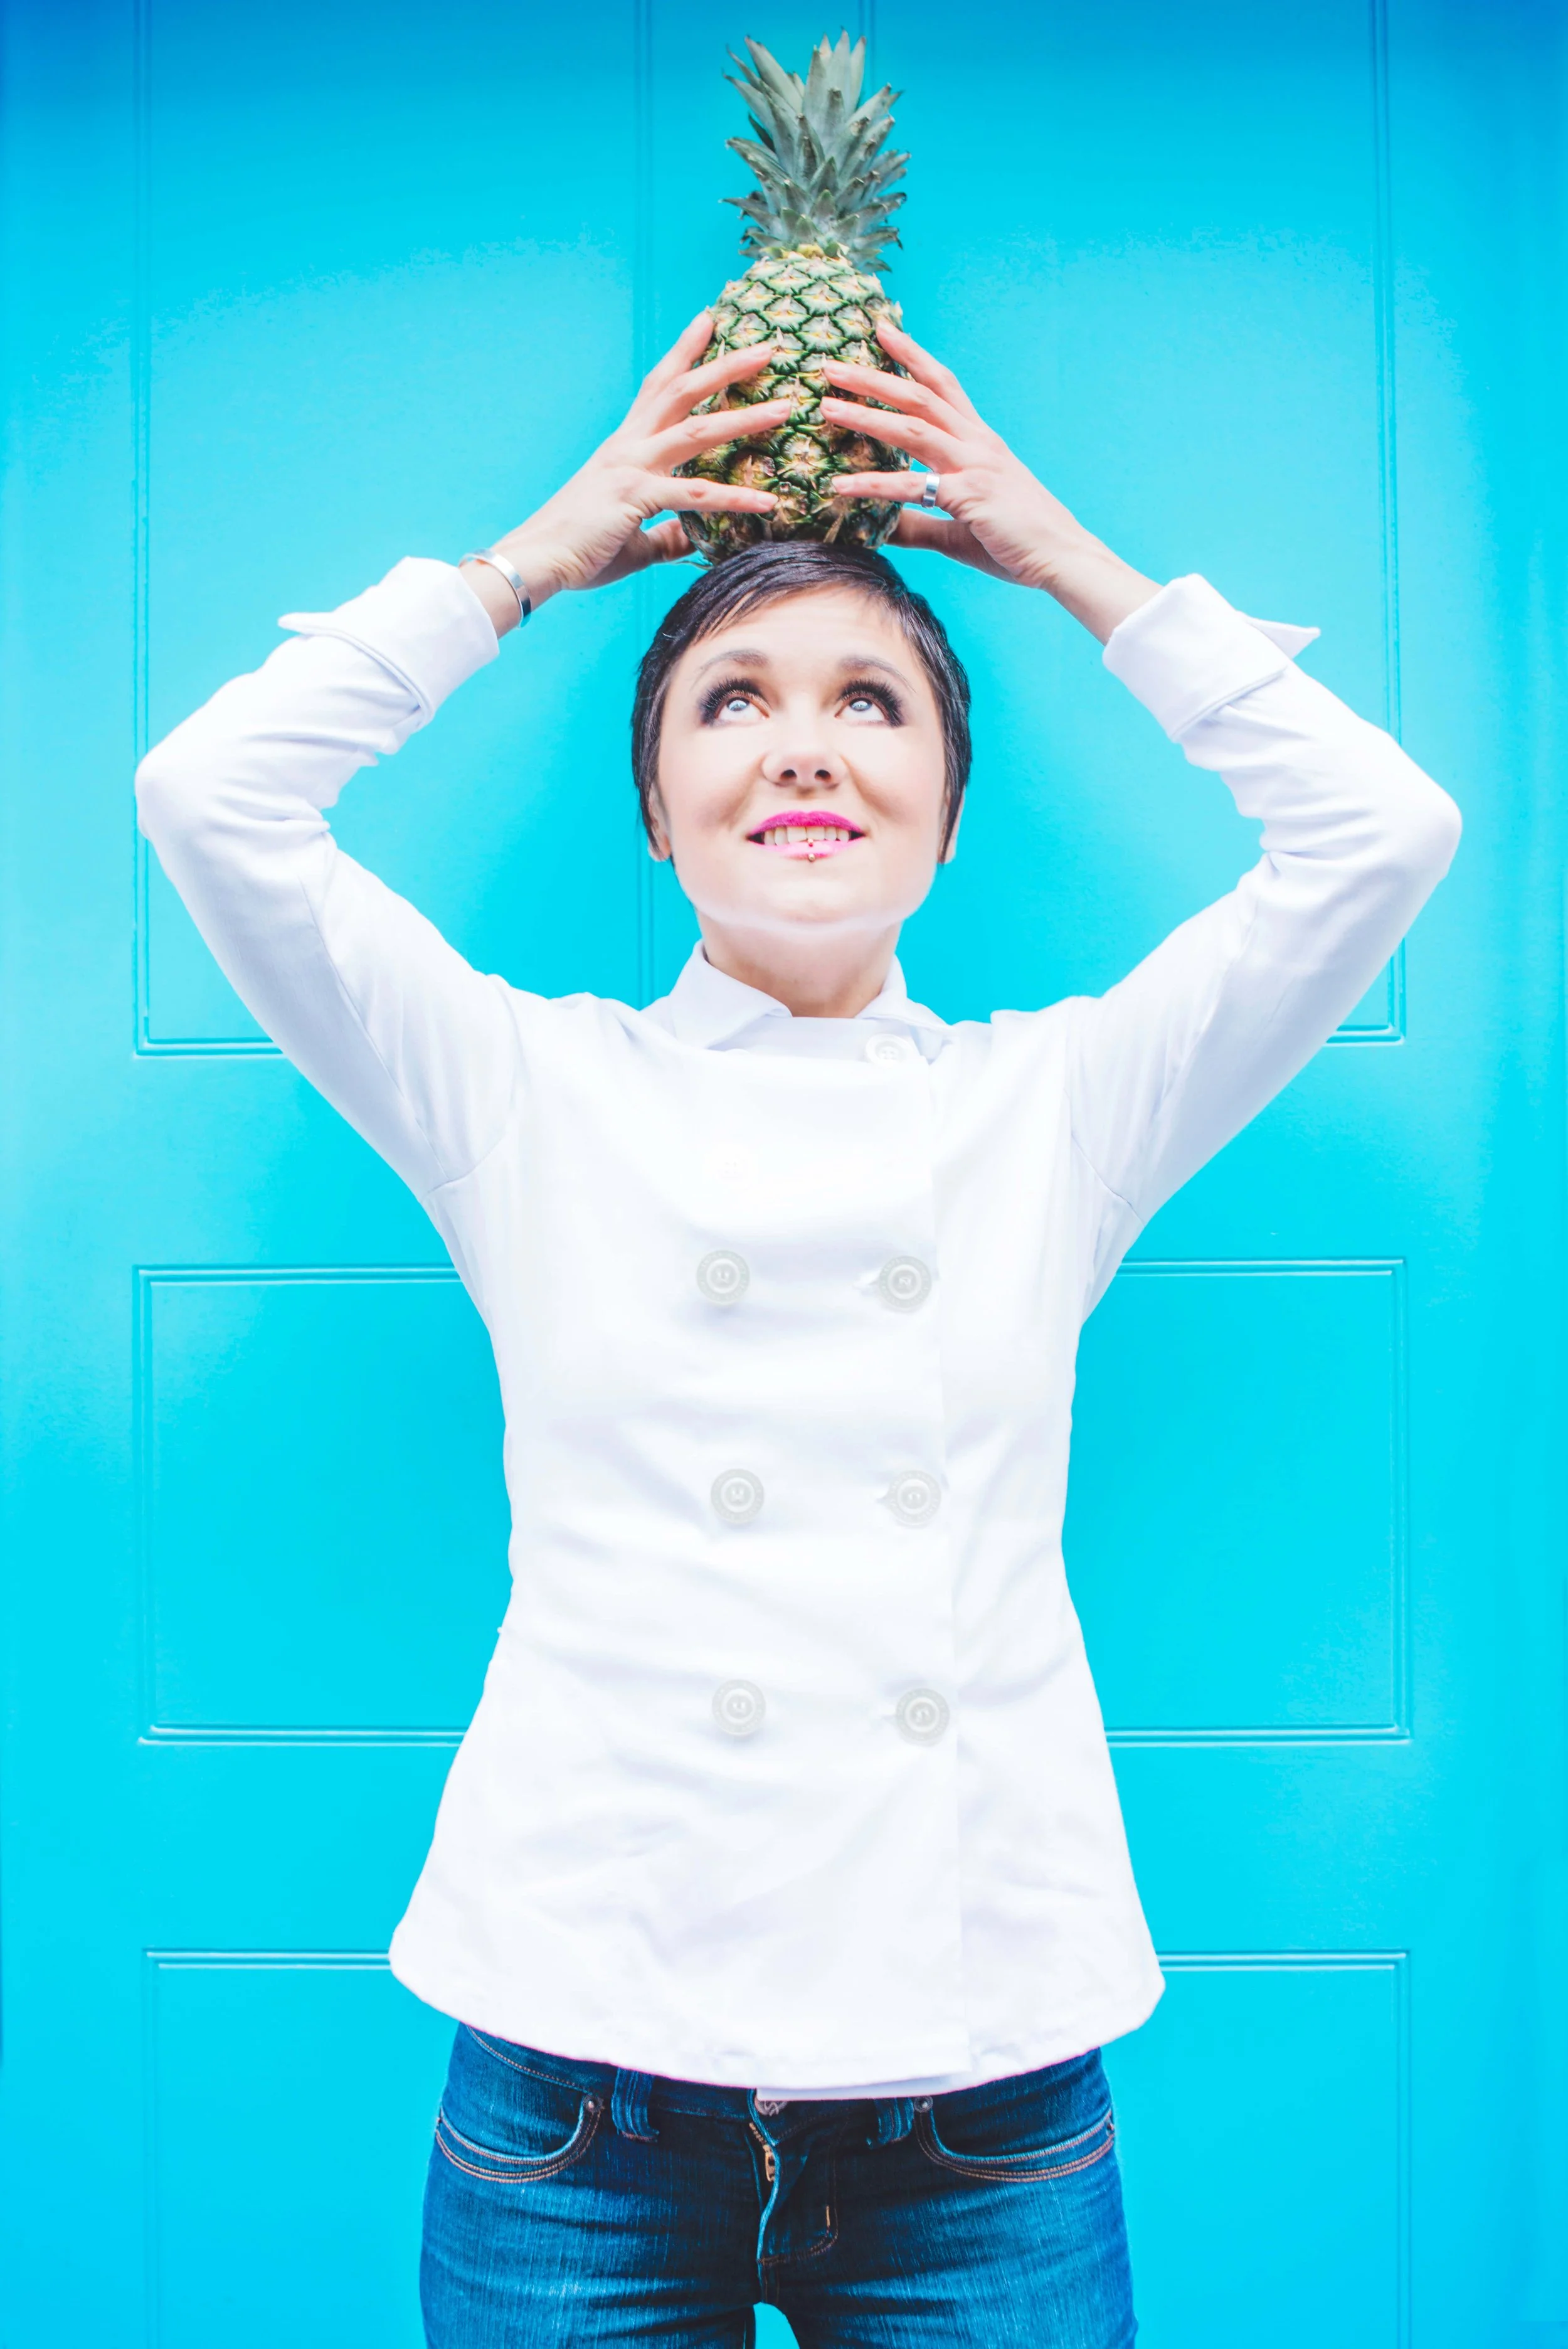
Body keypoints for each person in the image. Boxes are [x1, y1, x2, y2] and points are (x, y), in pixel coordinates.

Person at [135, 311, 1461, 2347]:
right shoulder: (521, 1090)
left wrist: (1069, 568)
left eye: (872, 703)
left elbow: (1380, 836)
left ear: (945, 808)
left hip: (977, 2096)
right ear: (657, 815)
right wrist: (531, 564)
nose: (805, 742)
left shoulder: (1062, 1103)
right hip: (575, 2083)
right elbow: (209, 796)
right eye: (731, 702)